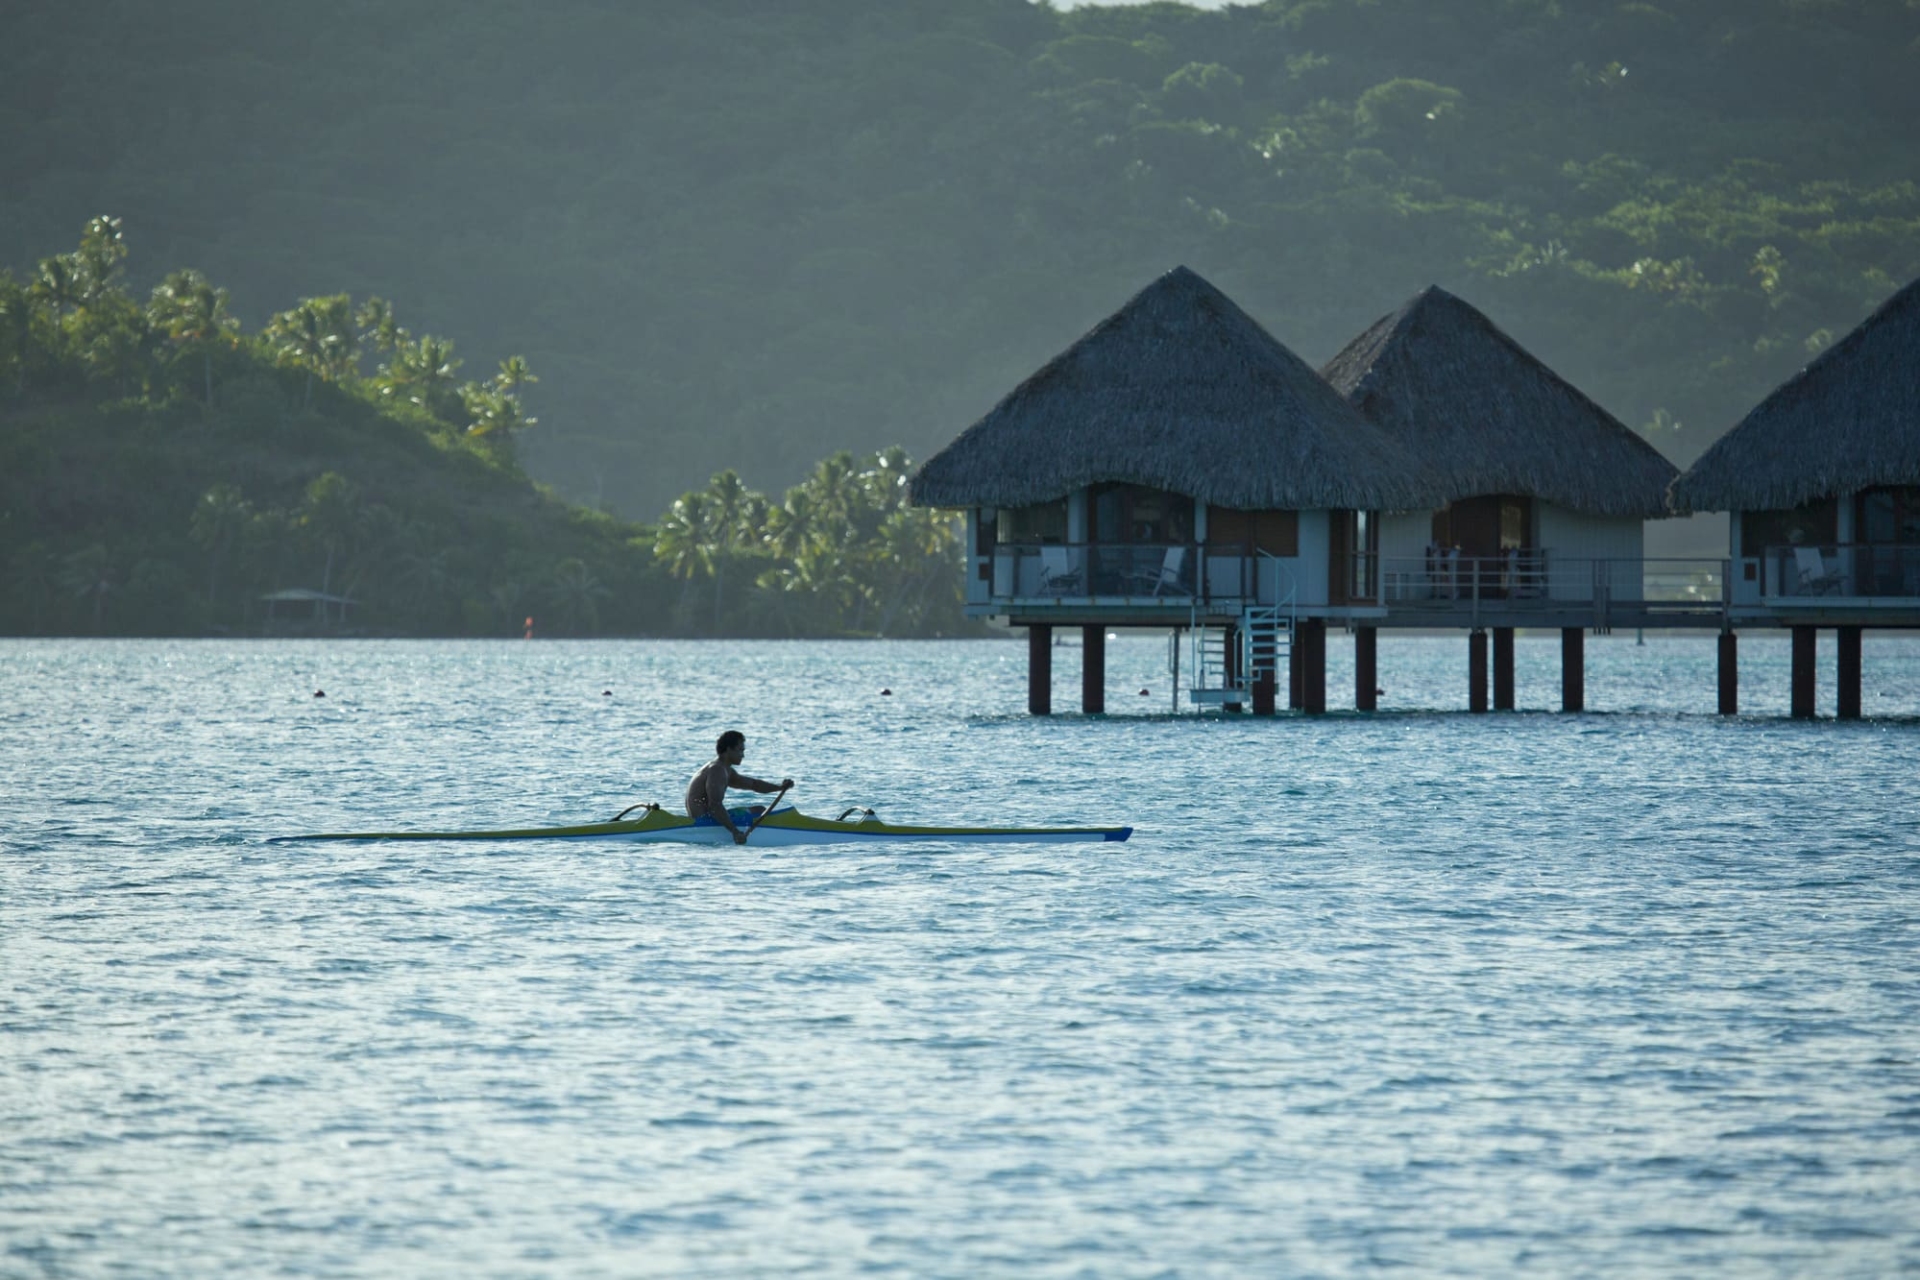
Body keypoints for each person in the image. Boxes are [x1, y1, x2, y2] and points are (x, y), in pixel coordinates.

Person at [685, 730, 793, 844]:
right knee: (760, 811)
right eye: (740, 750)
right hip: (704, 822)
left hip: (705, 818)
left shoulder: (725, 769)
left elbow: (754, 785)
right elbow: (714, 805)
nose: (743, 755)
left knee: (758, 810)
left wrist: (780, 787)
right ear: (728, 749)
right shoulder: (717, 770)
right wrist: (735, 832)